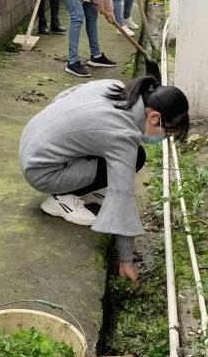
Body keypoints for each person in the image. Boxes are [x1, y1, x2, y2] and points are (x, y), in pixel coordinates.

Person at [19, 76, 190, 283]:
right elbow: (123, 196)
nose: (163, 138)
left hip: (31, 139)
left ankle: (80, 186)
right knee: (134, 159)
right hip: (42, 171)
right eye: (166, 133)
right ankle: (60, 198)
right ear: (154, 118)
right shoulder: (122, 135)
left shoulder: (116, 86)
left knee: (134, 155)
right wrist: (126, 260)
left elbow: (63, 96)